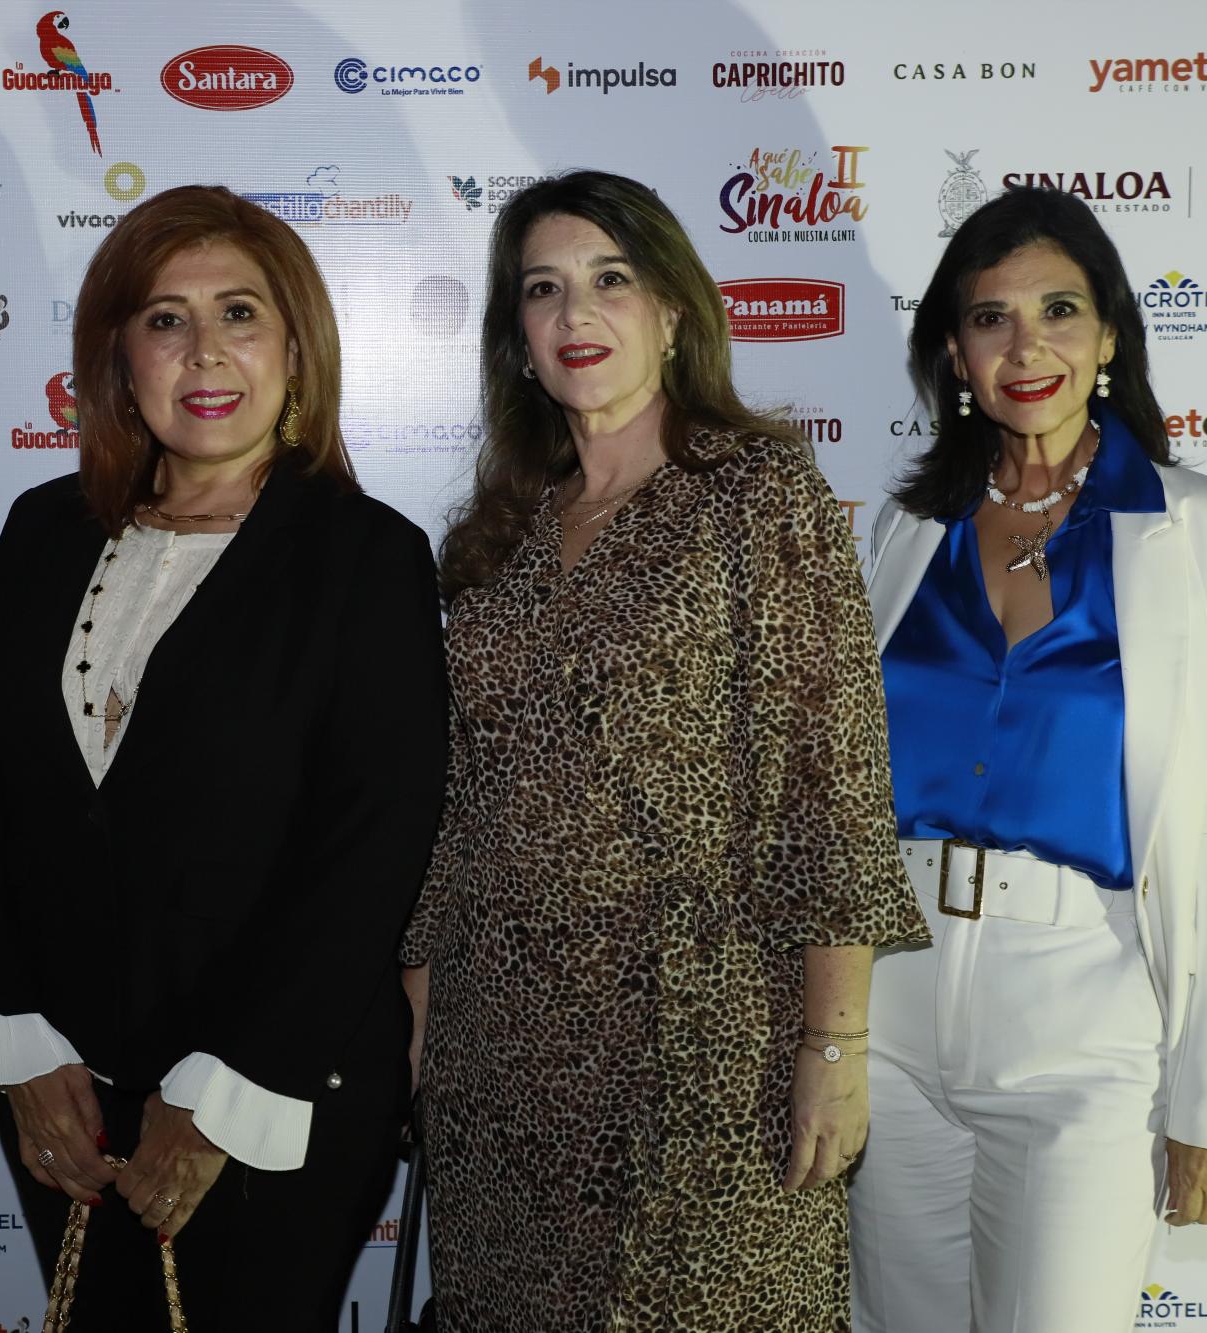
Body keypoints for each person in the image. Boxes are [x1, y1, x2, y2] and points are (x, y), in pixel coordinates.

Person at [400, 169, 925, 1331]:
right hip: (500, 1050)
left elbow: (829, 778)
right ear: (517, 338)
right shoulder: (498, 530)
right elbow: (459, 794)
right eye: (543, 289)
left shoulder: (755, 493)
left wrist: (833, 1040)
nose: (575, 313)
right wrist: (422, 1005)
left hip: (704, 1035)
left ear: (673, 313)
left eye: (610, 280)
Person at [0, 185, 447, 1330]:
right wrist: (17, 1046)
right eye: (166, 319)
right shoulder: (42, 530)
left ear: (296, 351)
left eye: (239, 313)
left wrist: (220, 1092)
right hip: (64, 1099)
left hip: (275, 1099)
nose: (204, 350)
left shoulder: (365, 556)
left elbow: (371, 849)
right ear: (119, 358)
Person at [849, 187, 1207, 1333]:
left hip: (1083, 1026)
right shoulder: (901, 531)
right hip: (889, 1014)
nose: (1024, 346)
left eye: (1056, 310)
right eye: (988, 317)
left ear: (1107, 338)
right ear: (952, 354)